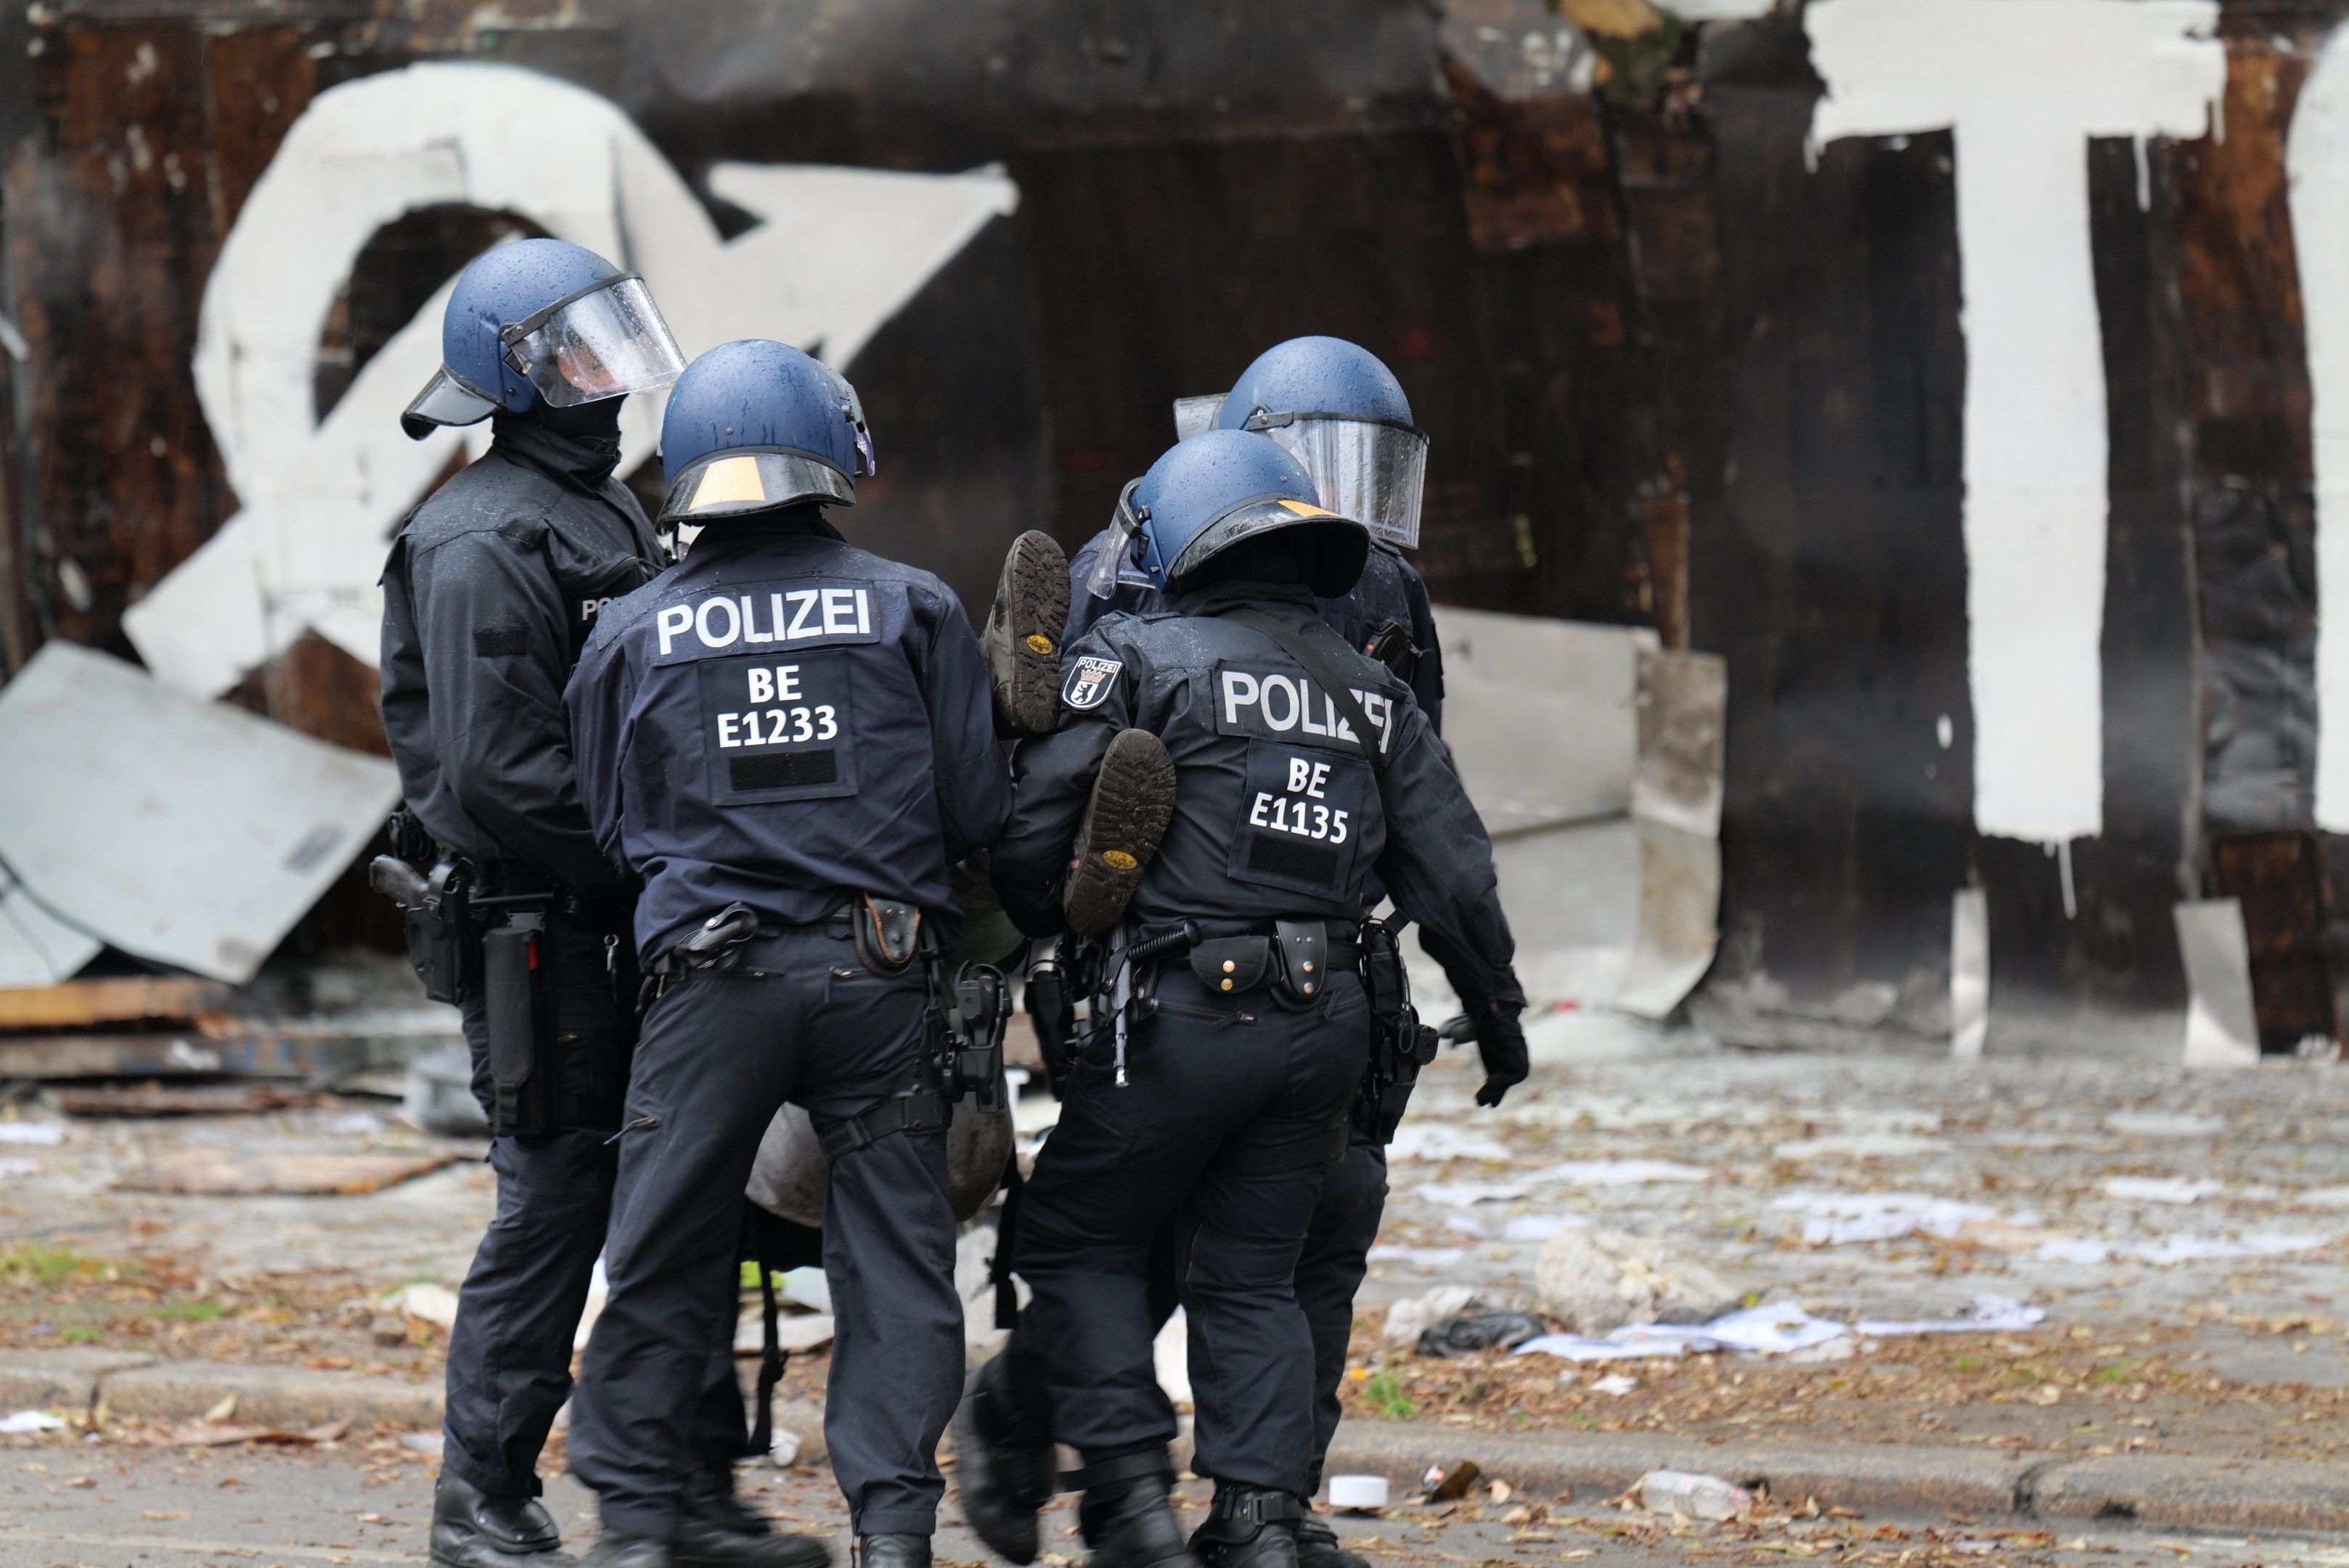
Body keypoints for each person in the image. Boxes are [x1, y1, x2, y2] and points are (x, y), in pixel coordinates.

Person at [963, 340, 1521, 1568]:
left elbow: (1042, 808)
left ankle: (1204, 1502)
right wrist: (1497, 996)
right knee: (1211, 1254)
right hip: (1242, 978)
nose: (1348, 502)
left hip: (1261, 975)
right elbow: (1442, 845)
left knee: (1251, 1232)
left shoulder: (1349, 596)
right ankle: (1133, 1470)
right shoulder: (1146, 577)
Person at [563, 340, 1011, 1568]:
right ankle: (894, 1535)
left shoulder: (632, 633)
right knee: (898, 1264)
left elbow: (609, 827)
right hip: (879, 976)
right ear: (833, 455)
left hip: (711, 987)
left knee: (660, 1245)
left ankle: (643, 1525)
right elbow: (976, 814)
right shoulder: (913, 605)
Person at [380, 238, 756, 1568]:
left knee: (687, 1200)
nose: (605, 382)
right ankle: (480, 1498)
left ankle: (689, 1498)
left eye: (608, 345)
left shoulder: (605, 510)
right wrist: (656, 864)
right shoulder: (485, 533)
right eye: (571, 359)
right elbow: (499, 776)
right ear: (511, 384)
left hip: (626, 919)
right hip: (547, 931)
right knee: (554, 1211)